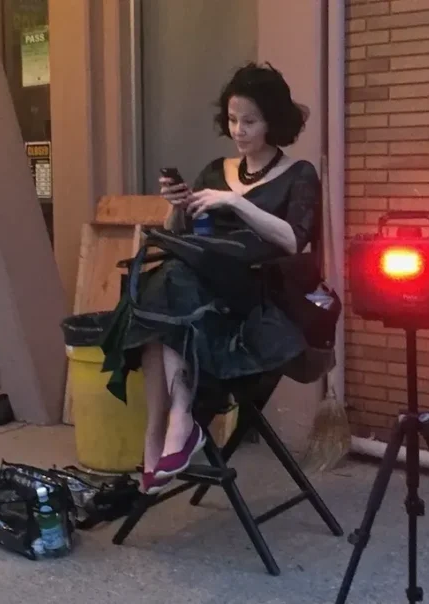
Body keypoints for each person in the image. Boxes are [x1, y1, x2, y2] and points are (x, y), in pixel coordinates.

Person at [100, 62, 323, 495]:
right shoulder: (214, 169)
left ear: (272, 121)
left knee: (166, 289)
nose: (239, 130)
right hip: (199, 287)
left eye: (250, 121)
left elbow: (294, 240)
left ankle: (173, 428)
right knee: (164, 293)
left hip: (257, 295)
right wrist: (176, 205)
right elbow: (178, 234)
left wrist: (237, 204)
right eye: (233, 119)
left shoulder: (299, 175)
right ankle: (169, 431)